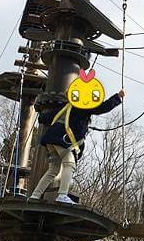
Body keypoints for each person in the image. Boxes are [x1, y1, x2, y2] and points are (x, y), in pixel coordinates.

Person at [29, 70, 124, 204]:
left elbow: (44, 118)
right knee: (69, 164)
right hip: (61, 140)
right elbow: (102, 108)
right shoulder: (83, 107)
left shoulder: (65, 107)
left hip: (51, 140)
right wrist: (118, 97)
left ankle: (34, 196)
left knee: (53, 170)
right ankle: (62, 195)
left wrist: (40, 113)